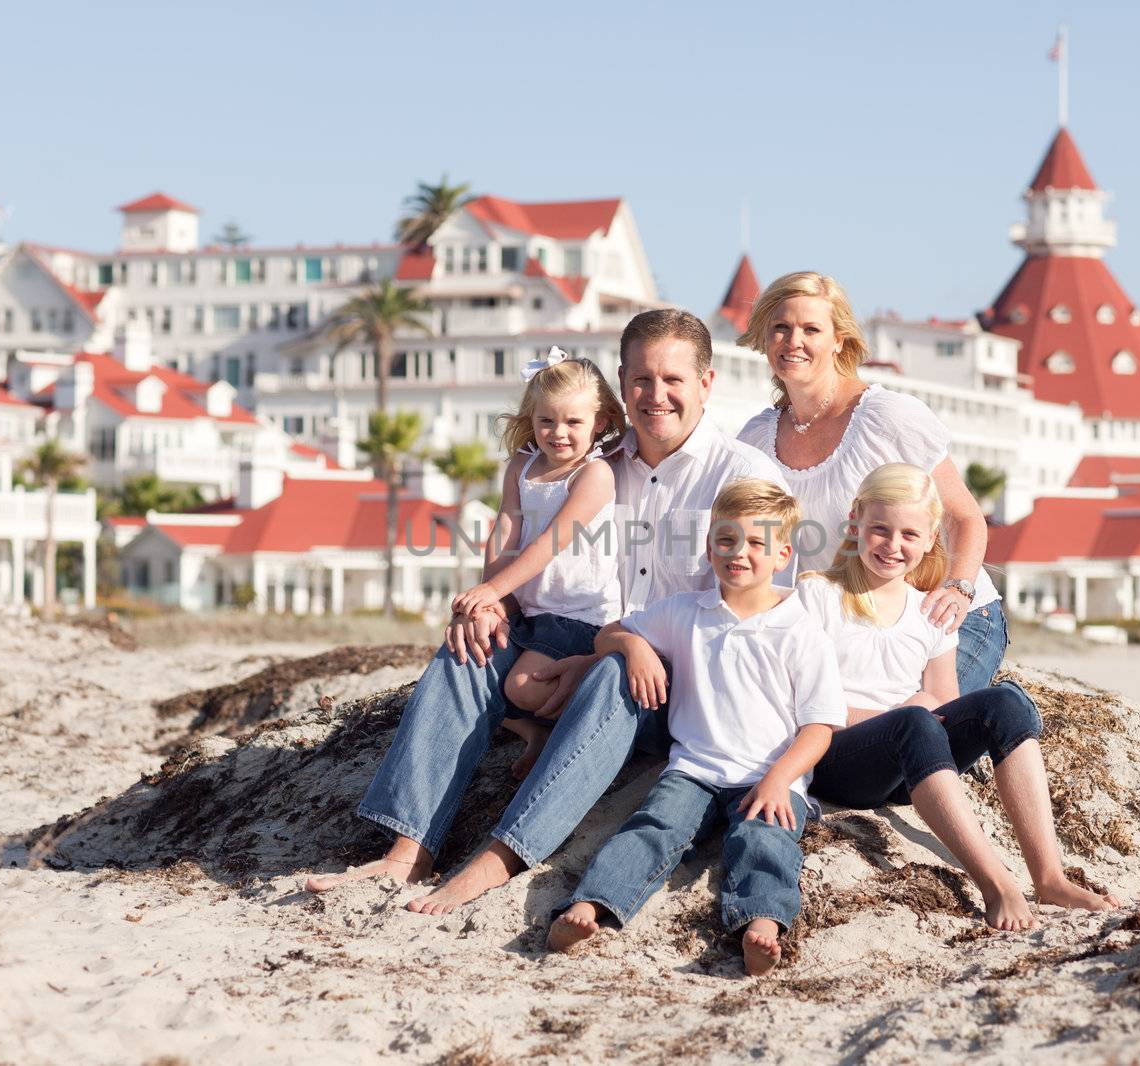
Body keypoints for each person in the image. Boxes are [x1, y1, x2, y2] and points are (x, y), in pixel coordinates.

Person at [305, 309, 783, 903]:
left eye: (672, 380)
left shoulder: (743, 475)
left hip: (668, 691)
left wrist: (608, 651)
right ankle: (410, 849)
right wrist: (489, 600)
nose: (655, 396)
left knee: (614, 677)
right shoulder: (593, 462)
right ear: (620, 382)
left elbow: (751, 618)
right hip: (570, 642)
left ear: (706, 383)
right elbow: (520, 528)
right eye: (640, 380)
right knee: (469, 649)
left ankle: (500, 856)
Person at [798, 462, 1122, 930]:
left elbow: (945, 706)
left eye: (910, 534)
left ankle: (1049, 877)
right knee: (913, 720)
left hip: (913, 766)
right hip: (841, 761)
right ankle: (996, 885)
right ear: (856, 525)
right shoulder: (818, 595)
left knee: (1006, 701)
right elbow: (802, 704)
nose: (893, 546)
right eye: (880, 530)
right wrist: (900, 713)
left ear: (932, 539)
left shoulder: (928, 610)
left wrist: (924, 714)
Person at [547, 480, 844, 975]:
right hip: (694, 770)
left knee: (764, 840)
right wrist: (636, 646)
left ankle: (762, 925)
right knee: (652, 828)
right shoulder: (686, 611)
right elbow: (607, 636)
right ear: (709, 547)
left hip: (770, 775)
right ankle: (590, 906)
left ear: (782, 554)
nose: (738, 553)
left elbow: (819, 727)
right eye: (726, 540)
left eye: (755, 543)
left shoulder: (800, 630)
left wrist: (778, 780)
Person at [735, 271, 1007, 692]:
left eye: (811, 329)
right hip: (847, 626)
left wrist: (959, 589)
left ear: (838, 340)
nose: (794, 341)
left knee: (912, 723)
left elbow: (966, 518)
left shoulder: (888, 417)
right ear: (764, 337)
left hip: (942, 618)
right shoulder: (754, 439)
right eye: (781, 328)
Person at [448, 348, 624, 779]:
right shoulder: (521, 466)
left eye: (573, 422)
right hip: (529, 607)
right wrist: (491, 598)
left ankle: (588, 718)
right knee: (477, 667)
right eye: (547, 421)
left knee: (521, 686)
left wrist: (492, 591)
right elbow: (505, 527)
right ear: (533, 419)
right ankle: (537, 734)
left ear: (599, 423)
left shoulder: (593, 474)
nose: (558, 432)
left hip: (577, 613)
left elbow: (553, 541)